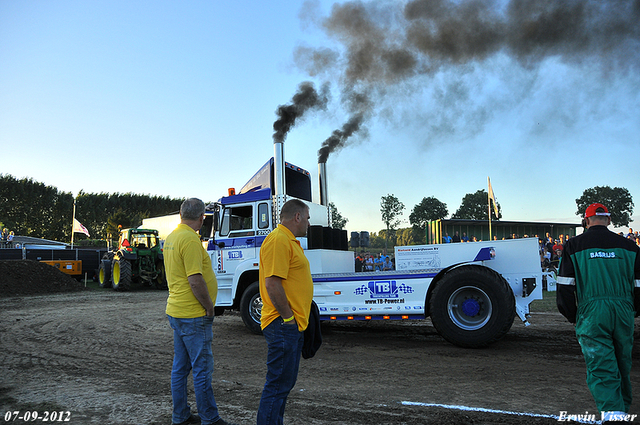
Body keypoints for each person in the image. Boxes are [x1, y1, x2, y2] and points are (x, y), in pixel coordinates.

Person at [557, 203, 640, 421]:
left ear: (586, 221)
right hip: (624, 310)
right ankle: (622, 409)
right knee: (622, 362)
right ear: (609, 220)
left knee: (601, 364)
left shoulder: (574, 245)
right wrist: (634, 309)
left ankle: (614, 416)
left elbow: (565, 285)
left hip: (592, 311)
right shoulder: (630, 247)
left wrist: (573, 315)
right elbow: (639, 285)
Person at [164, 198, 235, 425]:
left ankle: (181, 416)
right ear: (202, 217)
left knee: (180, 368)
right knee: (202, 370)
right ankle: (210, 419)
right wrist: (208, 306)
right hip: (193, 314)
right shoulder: (191, 240)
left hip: (177, 311)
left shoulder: (172, 238)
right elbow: (195, 280)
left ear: (181, 214)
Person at [257, 199, 314, 425]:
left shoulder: (288, 241)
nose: (309, 223)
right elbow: (272, 284)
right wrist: (289, 318)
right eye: (307, 218)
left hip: (290, 325)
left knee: (283, 384)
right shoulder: (279, 240)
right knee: (278, 385)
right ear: (297, 217)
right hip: (283, 325)